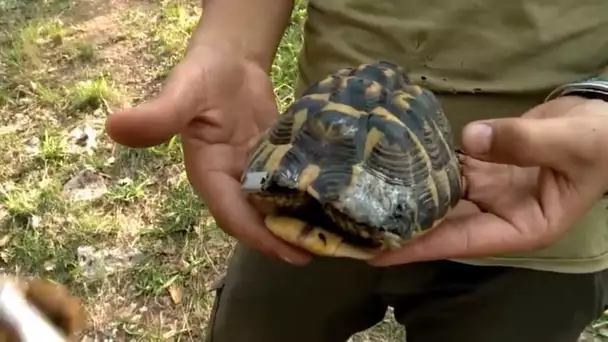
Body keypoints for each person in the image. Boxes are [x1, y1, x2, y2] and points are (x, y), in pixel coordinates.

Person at [105, 0, 608, 341]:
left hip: (551, 191)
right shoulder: (284, 196)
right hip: (317, 142)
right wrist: (230, 46)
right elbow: (266, 184)